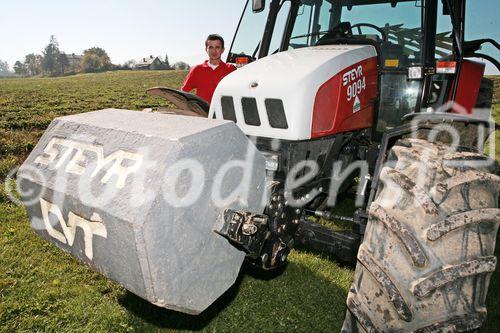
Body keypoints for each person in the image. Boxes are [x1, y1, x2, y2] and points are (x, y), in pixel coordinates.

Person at [181, 34, 236, 104]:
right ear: (206, 49)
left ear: (222, 50)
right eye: (211, 47)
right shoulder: (197, 70)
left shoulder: (230, 69)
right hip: (203, 113)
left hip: (224, 113)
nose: (214, 51)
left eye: (217, 47)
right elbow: (183, 92)